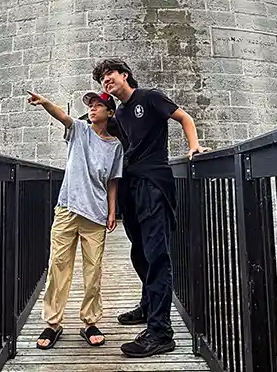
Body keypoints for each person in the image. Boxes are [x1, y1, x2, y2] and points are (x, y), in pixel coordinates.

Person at [92, 58, 210, 358]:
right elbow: (102, 131)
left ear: (125, 75)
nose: (106, 80)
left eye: (110, 75)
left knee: (157, 257)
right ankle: (148, 306)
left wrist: (194, 146)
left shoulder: (150, 97)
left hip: (154, 184)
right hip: (133, 187)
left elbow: (184, 117)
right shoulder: (119, 112)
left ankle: (161, 332)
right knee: (140, 253)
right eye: (102, 79)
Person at [27, 89, 124, 350]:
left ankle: (90, 322)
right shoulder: (79, 130)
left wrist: (113, 211)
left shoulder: (115, 146)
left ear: (109, 112)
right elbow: (63, 117)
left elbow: (113, 181)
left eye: (98, 105)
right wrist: (45, 102)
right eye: (90, 105)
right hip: (68, 209)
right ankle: (52, 323)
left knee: (93, 272)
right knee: (58, 267)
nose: (92, 108)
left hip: (96, 213)